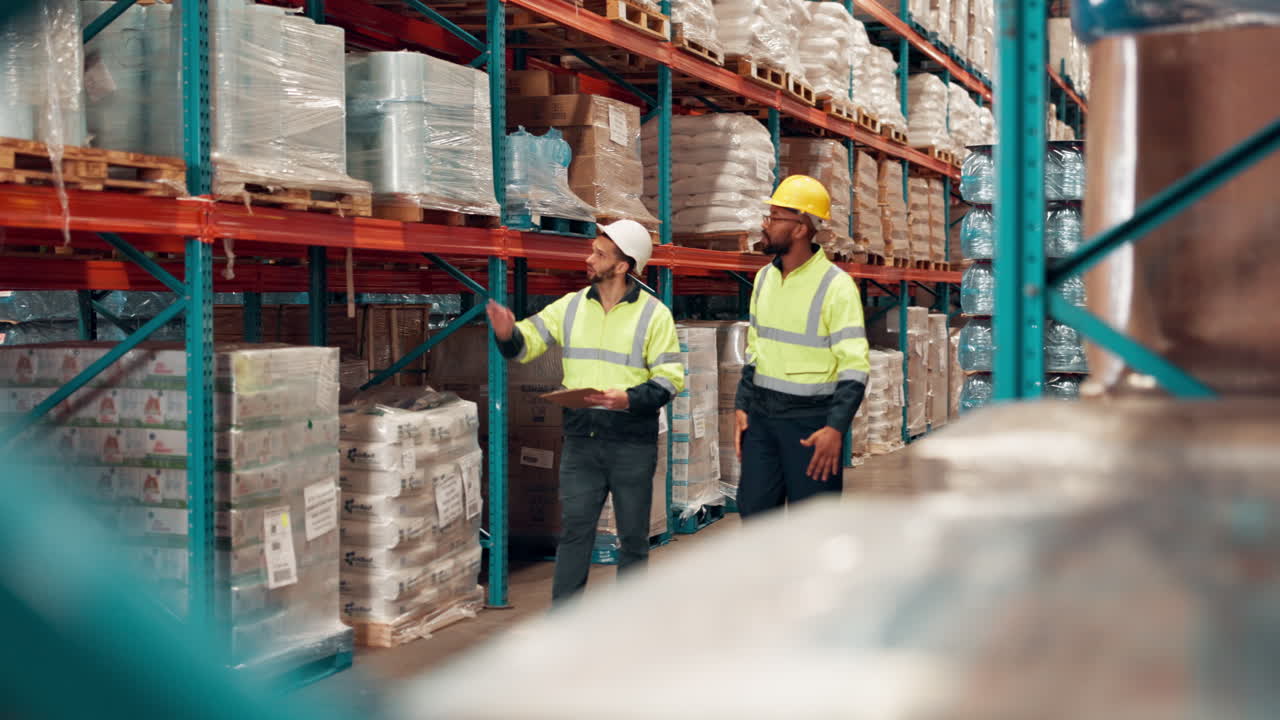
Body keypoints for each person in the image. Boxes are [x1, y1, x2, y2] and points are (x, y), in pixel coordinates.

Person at [486, 219, 685, 604]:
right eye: (592, 251)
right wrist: (507, 332)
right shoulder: (572, 306)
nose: (588, 258)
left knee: (632, 539)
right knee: (575, 533)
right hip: (581, 440)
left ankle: (626, 623)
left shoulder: (654, 315)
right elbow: (525, 346)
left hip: (631, 443)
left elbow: (670, 379)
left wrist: (628, 399)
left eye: (599, 253)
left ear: (624, 265)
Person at [733, 175, 871, 518]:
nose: (765, 225)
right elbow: (756, 347)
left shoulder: (835, 286)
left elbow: (855, 366)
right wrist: (742, 406)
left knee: (811, 527)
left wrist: (836, 427)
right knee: (754, 516)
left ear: (800, 228)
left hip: (811, 424)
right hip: (762, 420)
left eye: (775, 217)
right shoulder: (764, 277)